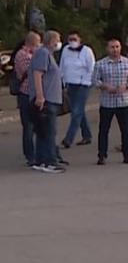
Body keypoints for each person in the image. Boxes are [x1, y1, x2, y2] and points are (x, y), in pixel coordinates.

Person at [93, 38, 128, 166]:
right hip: (107, 102)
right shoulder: (100, 64)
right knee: (104, 129)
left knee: (125, 130)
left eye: (117, 47)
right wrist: (105, 86)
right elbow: (95, 81)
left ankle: (127, 155)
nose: (115, 49)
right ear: (107, 49)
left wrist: (126, 86)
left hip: (123, 101)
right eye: (112, 47)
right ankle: (102, 155)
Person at [30, 30, 65, 173]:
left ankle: (40, 160)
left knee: (43, 131)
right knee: (49, 131)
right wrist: (40, 95)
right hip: (46, 99)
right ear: (51, 40)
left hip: (50, 99)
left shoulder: (48, 54)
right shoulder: (43, 53)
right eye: (58, 39)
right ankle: (50, 161)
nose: (59, 42)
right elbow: (37, 74)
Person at [59, 30, 96, 149]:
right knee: (78, 111)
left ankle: (68, 139)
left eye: (75, 39)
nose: (72, 42)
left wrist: (88, 82)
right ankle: (87, 135)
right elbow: (62, 65)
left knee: (76, 112)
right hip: (70, 83)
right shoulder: (65, 50)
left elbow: (92, 68)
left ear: (80, 40)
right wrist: (62, 81)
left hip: (82, 84)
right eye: (70, 39)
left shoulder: (87, 51)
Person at [14, 31, 42, 167]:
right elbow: (33, 71)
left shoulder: (31, 54)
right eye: (38, 42)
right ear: (33, 43)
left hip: (31, 93)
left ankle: (37, 153)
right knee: (29, 126)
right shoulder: (23, 55)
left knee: (36, 125)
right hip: (26, 93)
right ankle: (30, 155)